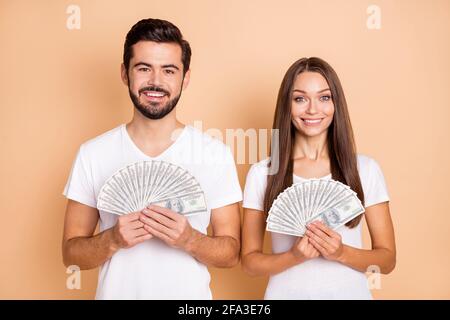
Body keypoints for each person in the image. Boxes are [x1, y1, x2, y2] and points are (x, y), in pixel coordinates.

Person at [62, 18, 242, 299]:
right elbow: (71, 254)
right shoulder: (93, 154)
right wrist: (112, 239)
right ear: (125, 73)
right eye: (144, 68)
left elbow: (231, 253)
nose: (156, 82)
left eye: (169, 70)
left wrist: (189, 239)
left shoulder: (214, 154)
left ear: (186, 77)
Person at [241, 57, 396, 299]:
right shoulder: (262, 174)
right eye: (300, 98)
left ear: (336, 104)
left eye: (324, 97)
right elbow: (250, 263)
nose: (313, 109)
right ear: (287, 105)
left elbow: (386, 260)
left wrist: (341, 252)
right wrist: (294, 256)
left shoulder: (364, 169)